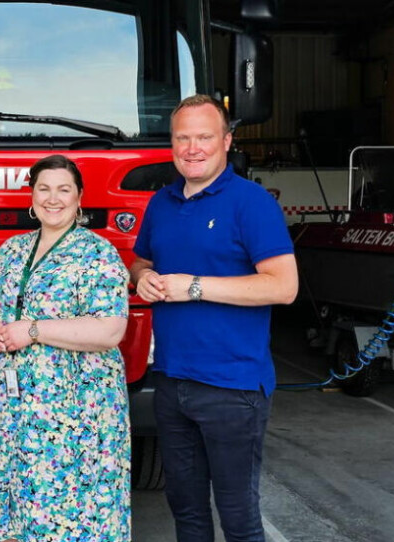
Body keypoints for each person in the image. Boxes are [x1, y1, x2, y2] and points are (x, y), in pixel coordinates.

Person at [129, 94, 298, 542]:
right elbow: (141, 261)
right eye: (182, 138)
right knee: (185, 512)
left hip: (233, 388)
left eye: (204, 136)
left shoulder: (251, 202)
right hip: (170, 381)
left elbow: (283, 286)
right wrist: (143, 277)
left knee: (239, 518)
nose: (193, 148)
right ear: (171, 144)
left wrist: (196, 286)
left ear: (226, 141)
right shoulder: (161, 203)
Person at [0, 154, 131, 542]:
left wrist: (35, 330)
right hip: (12, 412)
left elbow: (111, 329)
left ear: (79, 198)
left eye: (64, 189)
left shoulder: (98, 253)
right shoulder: (11, 249)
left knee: (73, 518)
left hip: (75, 415)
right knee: (13, 515)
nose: (52, 198)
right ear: (32, 195)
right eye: (44, 188)